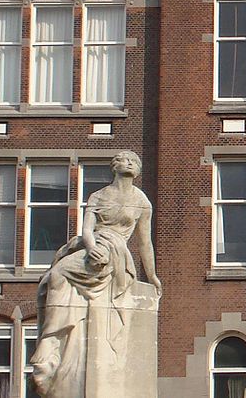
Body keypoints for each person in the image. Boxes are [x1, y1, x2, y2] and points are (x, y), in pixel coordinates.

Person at [30, 150, 161, 398]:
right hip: (93, 246)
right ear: (115, 166)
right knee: (56, 275)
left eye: (134, 161)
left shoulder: (142, 202)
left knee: (60, 274)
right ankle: (51, 340)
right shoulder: (98, 196)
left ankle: (51, 344)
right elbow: (87, 229)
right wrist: (91, 249)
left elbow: (145, 243)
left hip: (117, 251)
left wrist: (152, 275)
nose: (130, 163)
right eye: (124, 159)